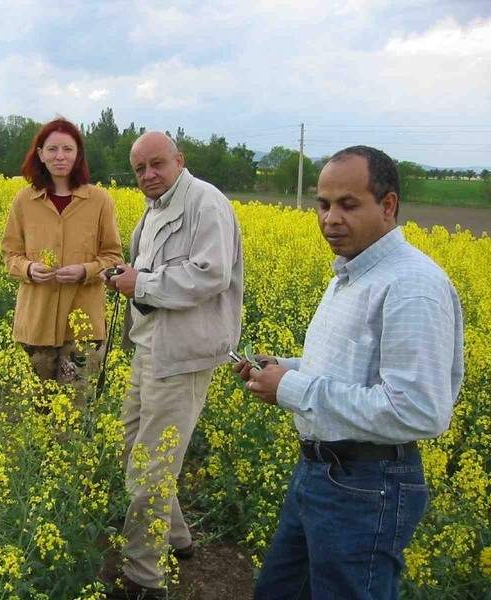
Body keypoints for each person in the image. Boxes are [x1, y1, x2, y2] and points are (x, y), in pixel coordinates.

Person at [234, 146, 464, 599]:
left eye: (348, 204)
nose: (330, 218)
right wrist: (284, 369)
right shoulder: (353, 273)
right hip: (321, 474)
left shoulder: (411, 287)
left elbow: (418, 410)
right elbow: (347, 373)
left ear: (388, 206)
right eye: (323, 204)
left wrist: (293, 387)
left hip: (367, 486)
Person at [100, 132, 244, 599]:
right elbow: (152, 273)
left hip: (182, 356)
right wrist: (127, 276)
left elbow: (210, 273)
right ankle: (178, 537)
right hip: (150, 347)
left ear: (180, 160)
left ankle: (144, 579)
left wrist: (140, 283)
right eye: (139, 169)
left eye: (156, 164)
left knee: (151, 467)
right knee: (134, 451)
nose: (148, 175)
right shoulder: (157, 206)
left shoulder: (205, 203)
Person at [1, 118, 124, 394]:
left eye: (68, 149)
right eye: (53, 149)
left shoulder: (101, 201)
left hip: (84, 326)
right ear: (40, 154)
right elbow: (10, 254)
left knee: (75, 412)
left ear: (78, 154)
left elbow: (113, 256)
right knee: (38, 410)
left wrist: (85, 271)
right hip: (36, 323)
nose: (60, 156)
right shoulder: (23, 201)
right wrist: (29, 268)